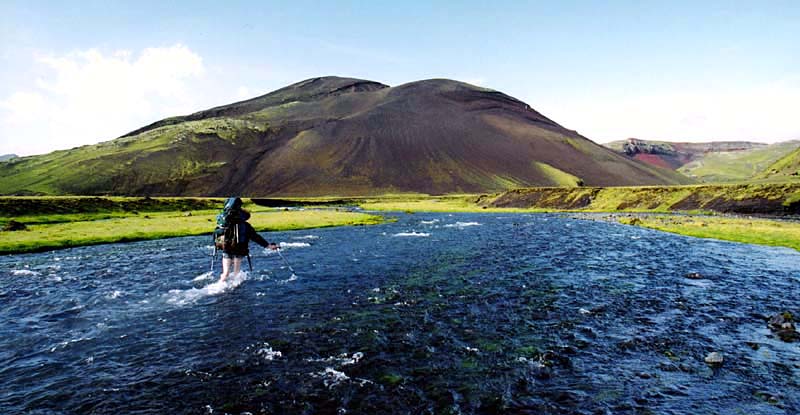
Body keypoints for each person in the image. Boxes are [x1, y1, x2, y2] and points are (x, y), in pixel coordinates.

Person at [213, 197, 278, 283]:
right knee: (236, 273)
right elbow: (256, 237)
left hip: (226, 247)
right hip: (239, 249)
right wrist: (269, 246)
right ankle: (236, 291)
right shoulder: (245, 226)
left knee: (225, 273)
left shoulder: (224, 222)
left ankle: (219, 287)